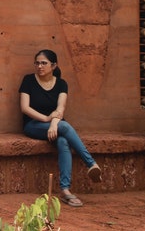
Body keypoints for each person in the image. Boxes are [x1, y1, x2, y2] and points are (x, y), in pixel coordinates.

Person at [20, 48, 101, 207]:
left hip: (56, 125)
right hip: (33, 125)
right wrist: (46, 119)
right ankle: (91, 163)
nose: (40, 66)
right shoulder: (28, 80)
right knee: (64, 127)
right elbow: (25, 108)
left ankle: (65, 190)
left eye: (44, 63)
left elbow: (60, 108)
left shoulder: (61, 84)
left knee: (63, 141)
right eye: (37, 63)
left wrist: (54, 123)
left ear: (54, 65)